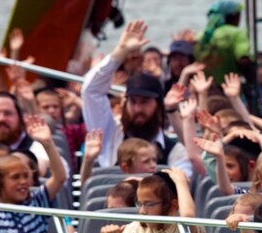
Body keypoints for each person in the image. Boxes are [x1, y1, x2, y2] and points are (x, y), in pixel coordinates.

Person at [82, 20, 193, 177]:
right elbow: (91, 91)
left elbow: (184, 183)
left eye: (145, 102)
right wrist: (119, 52)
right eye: (133, 102)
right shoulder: (109, 134)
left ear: (159, 106)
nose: (138, 109)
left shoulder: (175, 152)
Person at [195, 0, 251, 84]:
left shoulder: (200, 36)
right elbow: (243, 60)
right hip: (231, 90)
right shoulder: (236, 34)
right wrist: (253, 81)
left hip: (205, 90)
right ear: (235, 15)